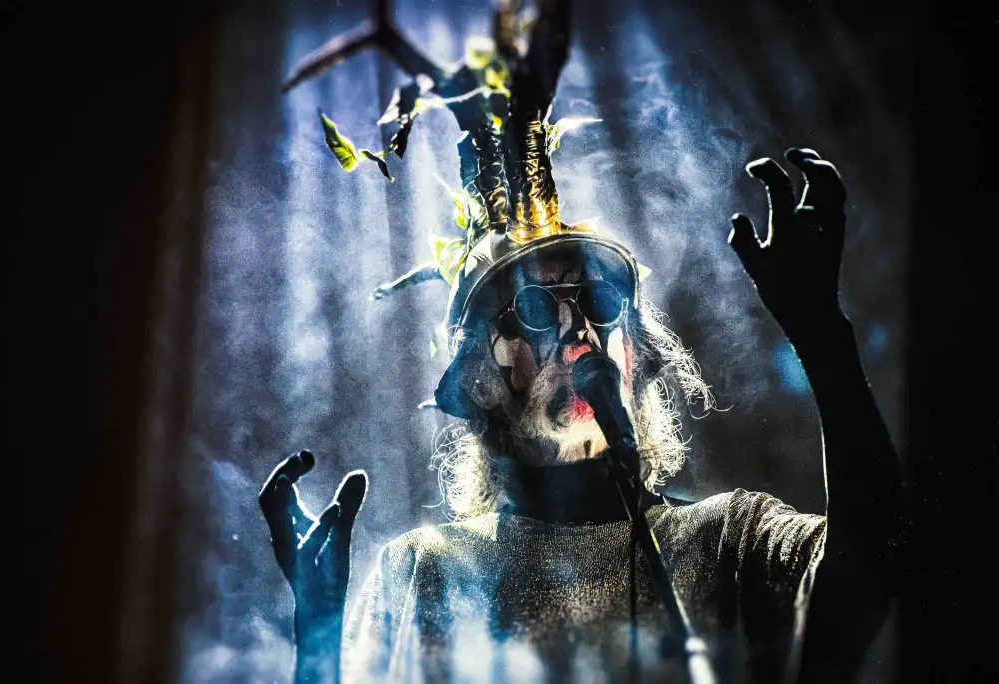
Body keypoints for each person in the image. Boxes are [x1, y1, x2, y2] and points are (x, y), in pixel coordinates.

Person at [258, 144, 904, 684]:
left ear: (637, 357)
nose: (577, 332)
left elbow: (874, 568)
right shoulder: (424, 570)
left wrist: (823, 334)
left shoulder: (728, 541)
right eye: (535, 309)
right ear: (478, 380)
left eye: (599, 301)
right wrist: (318, 635)